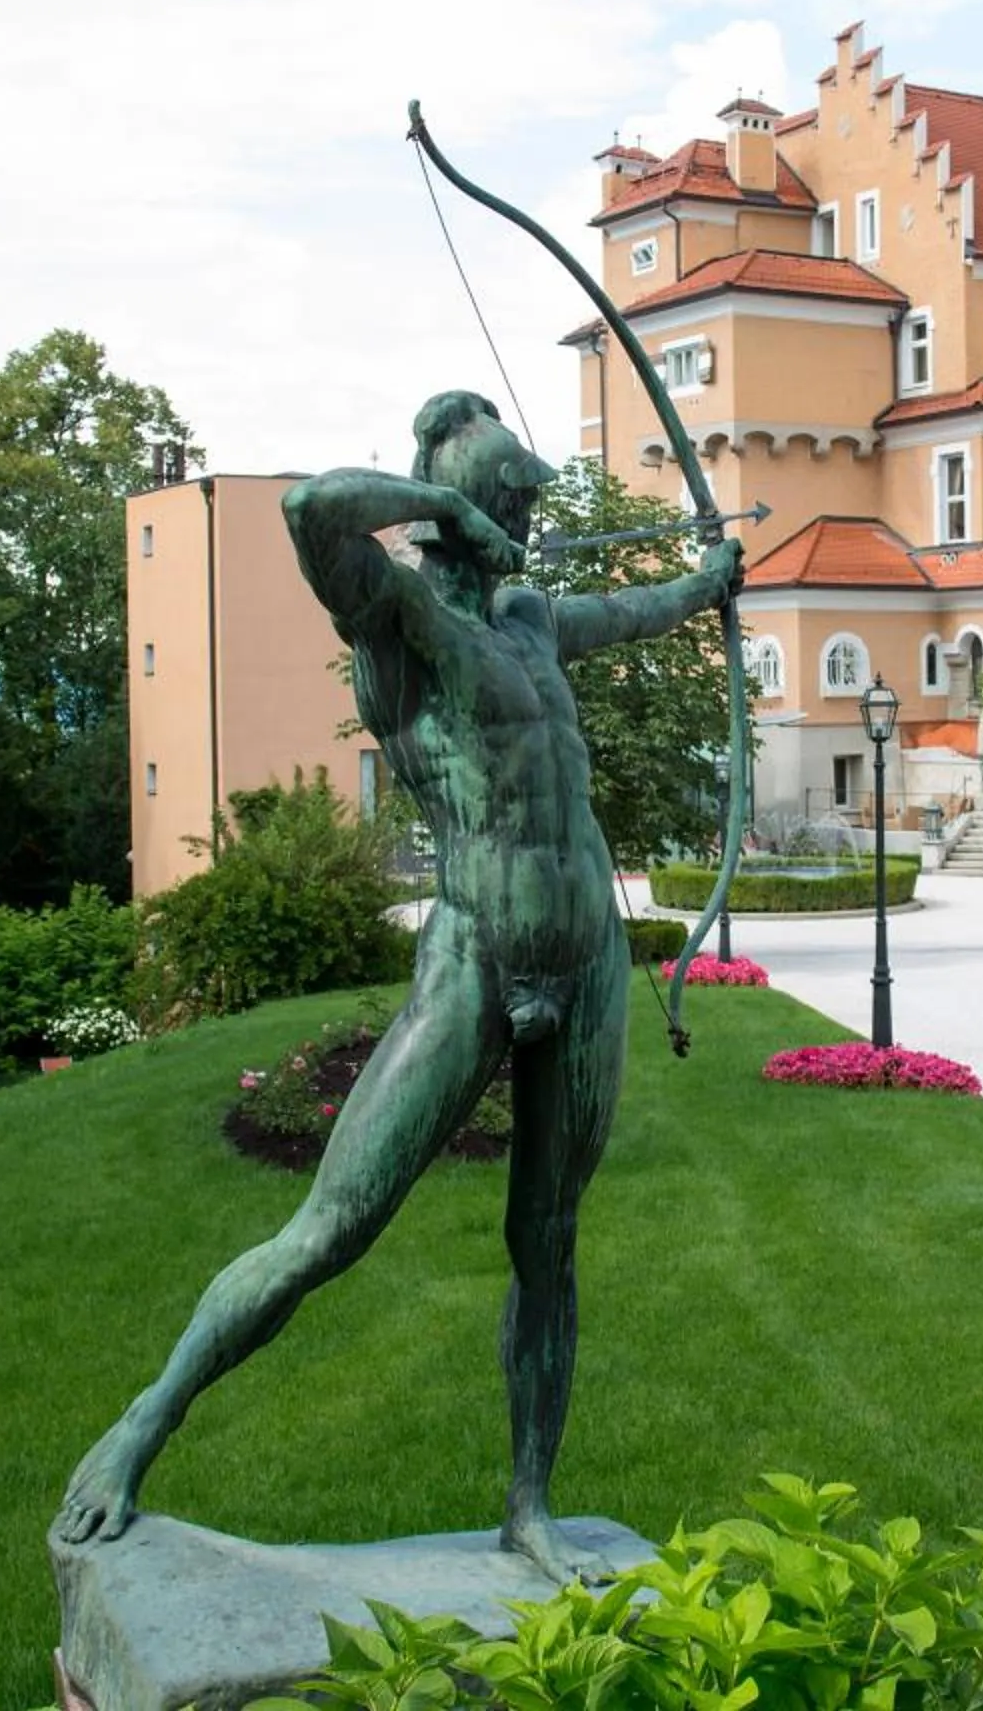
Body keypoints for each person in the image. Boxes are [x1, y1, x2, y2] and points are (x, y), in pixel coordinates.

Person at [54, 391, 742, 1584]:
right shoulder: (403, 617)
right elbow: (315, 508)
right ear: (468, 513)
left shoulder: (530, 619)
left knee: (549, 1240)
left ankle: (531, 1507)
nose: (530, 512)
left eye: (526, 496)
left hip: (585, 965)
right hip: (476, 957)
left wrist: (707, 584)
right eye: (511, 497)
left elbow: (632, 610)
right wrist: (439, 503)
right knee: (330, 1226)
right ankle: (140, 1426)